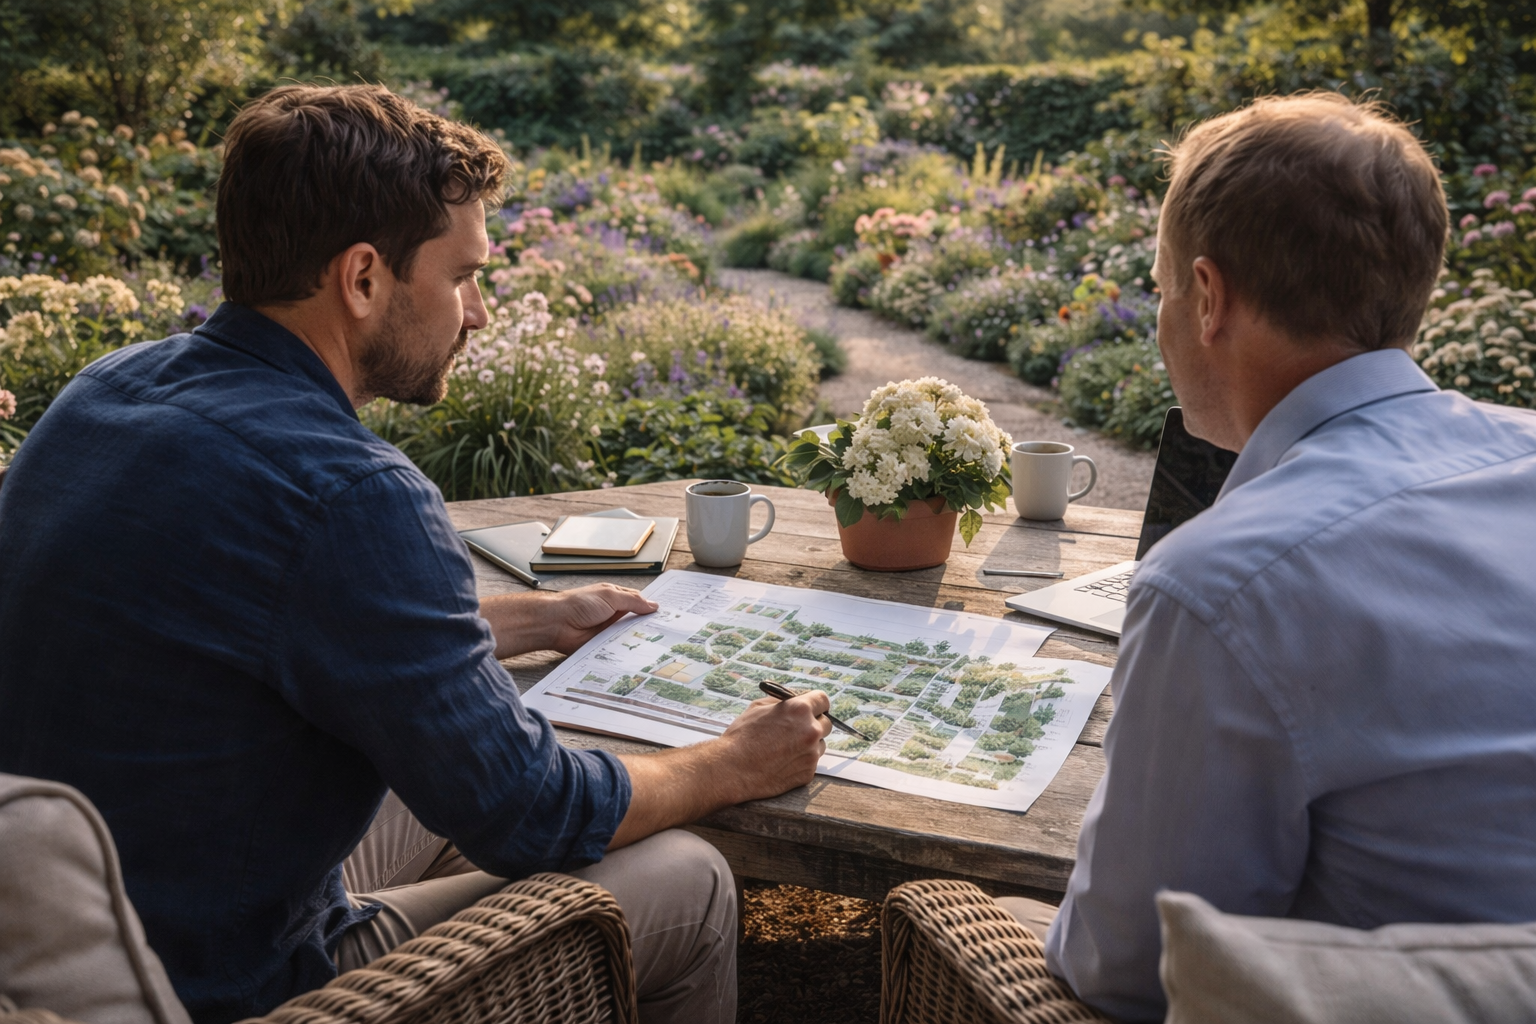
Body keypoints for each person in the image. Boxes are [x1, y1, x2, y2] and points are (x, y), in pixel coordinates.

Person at [0, 85, 833, 1024]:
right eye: (464, 275)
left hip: (67, 930)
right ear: (363, 279)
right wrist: (732, 760)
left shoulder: (105, 391)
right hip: (240, 981)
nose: (478, 314)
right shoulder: (352, 491)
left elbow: (249, 619)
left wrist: (534, 617)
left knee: (497, 714)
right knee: (691, 877)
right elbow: (535, 814)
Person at [994, 93, 1536, 1020]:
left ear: (1209, 298)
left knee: (1007, 917)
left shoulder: (1219, 587)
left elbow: (1123, 968)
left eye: (1164, 287)